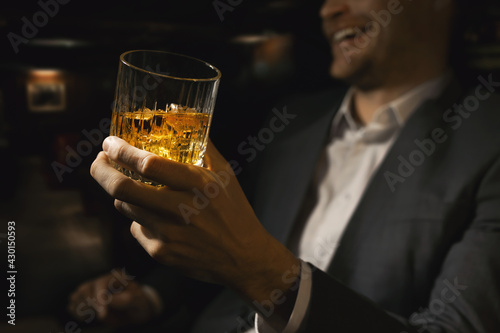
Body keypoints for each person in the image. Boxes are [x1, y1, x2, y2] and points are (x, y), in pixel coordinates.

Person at [70, 0, 500, 332]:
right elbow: (216, 245)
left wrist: (264, 274)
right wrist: (148, 297)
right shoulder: (290, 119)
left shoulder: (485, 143)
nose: (329, 10)